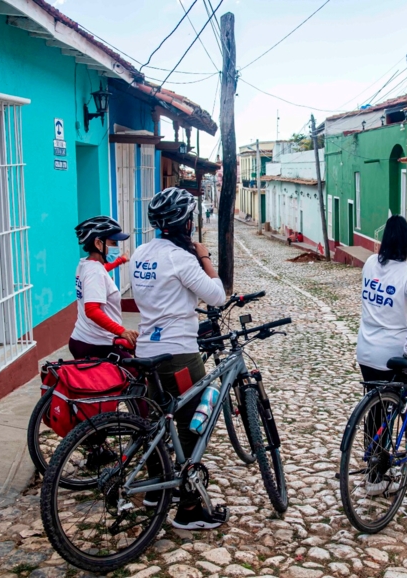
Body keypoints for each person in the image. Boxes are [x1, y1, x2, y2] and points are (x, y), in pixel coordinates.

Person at [131, 187, 228, 530]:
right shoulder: (182, 259)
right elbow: (217, 295)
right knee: (192, 421)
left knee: (157, 423)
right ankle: (188, 508)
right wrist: (204, 256)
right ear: (186, 224)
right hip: (178, 355)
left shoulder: (140, 254)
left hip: (145, 351)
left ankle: (157, 489)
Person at [356, 215, 407, 494]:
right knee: (395, 407)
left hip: (366, 351)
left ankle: (373, 467)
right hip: (393, 353)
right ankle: (380, 475)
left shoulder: (370, 264)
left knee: (375, 410)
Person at [70, 216, 138, 359]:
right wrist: (122, 331)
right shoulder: (95, 272)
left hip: (84, 339)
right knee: (135, 375)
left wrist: (120, 261)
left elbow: (103, 268)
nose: (116, 247)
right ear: (98, 243)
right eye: (113, 243)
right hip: (96, 344)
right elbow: (92, 310)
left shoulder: (86, 264)